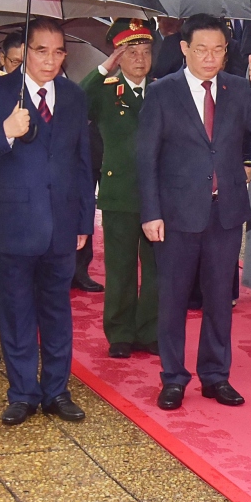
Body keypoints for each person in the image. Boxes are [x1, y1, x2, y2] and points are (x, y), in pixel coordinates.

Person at [0, 18, 94, 426]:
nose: (50, 60)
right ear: (24, 51)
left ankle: (56, 390)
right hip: (13, 223)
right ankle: (22, 393)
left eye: (57, 52)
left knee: (57, 312)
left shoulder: (73, 96)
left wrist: (85, 219)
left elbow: (83, 162)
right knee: (17, 313)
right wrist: (5, 132)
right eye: (41, 51)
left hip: (62, 223)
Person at [138, 14, 251, 409]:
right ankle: (174, 377)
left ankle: (216, 376)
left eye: (218, 49)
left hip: (225, 212)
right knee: (173, 300)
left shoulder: (238, 88)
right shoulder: (162, 92)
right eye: (201, 49)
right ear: (184, 49)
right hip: (177, 214)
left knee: (220, 299)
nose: (210, 57)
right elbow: (146, 158)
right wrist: (151, 212)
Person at [82, 19, 160, 359]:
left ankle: (150, 330)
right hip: (120, 192)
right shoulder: (106, 90)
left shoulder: (162, 90)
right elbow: (77, 101)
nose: (140, 60)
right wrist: (103, 68)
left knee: (157, 268)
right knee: (121, 266)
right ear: (119, 56)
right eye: (131, 53)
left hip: (157, 195)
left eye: (145, 52)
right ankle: (120, 332)